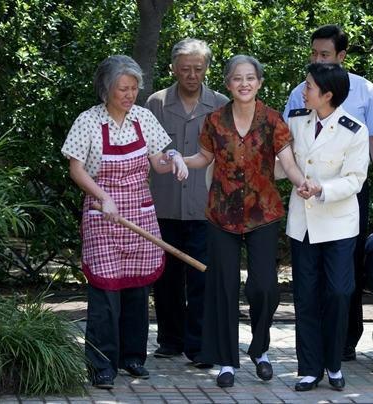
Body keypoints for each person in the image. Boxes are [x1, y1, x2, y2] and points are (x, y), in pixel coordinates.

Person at [182, 55, 312, 388]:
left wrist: (301, 183)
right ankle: (226, 361)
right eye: (237, 78)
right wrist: (177, 161)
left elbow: (289, 162)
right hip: (221, 215)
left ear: (259, 83)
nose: (244, 84)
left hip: (262, 213)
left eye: (250, 78)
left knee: (264, 286)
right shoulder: (214, 121)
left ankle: (260, 349)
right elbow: (203, 158)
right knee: (223, 287)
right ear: (227, 84)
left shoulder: (272, 120)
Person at [61, 55, 188, 389]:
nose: (129, 94)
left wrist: (173, 158)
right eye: (123, 88)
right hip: (103, 216)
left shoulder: (143, 118)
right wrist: (103, 196)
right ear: (106, 89)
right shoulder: (88, 122)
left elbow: (158, 161)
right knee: (105, 291)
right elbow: (75, 168)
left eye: (134, 88)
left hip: (139, 214)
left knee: (136, 289)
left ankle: (132, 357)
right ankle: (100, 365)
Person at [283, 24, 373, 361]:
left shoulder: (363, 89)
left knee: (344, 279)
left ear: (342, 56)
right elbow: (286, 148)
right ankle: (312, 358)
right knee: (308, 284)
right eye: (314, 53)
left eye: (325, 55)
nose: (317, 60)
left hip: (345, 195)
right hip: (304, 198)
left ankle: (344, 345)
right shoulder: (301, 92)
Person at [285, 62, 369, 391]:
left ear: (328, 95)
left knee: (338, 292)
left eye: (309, 86)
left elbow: (355, 180)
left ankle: (333, 363)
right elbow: (283, 161)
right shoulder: (295, 121)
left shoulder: (354, 130)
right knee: (305, 296)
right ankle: (308, 368)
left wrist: (322, 189)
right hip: (303, 222)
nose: (303, 90)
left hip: (337, 224)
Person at [145, 38, 228, 367]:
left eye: (198, 68)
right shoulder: (156, 103)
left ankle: (199, 345)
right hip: (164, 204)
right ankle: (170, 339)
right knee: (165, 277)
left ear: (207, 68)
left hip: (206, 206)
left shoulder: (221, 104)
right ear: (173, 69)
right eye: (185, 69)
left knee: (202, 278)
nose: (192, 75)